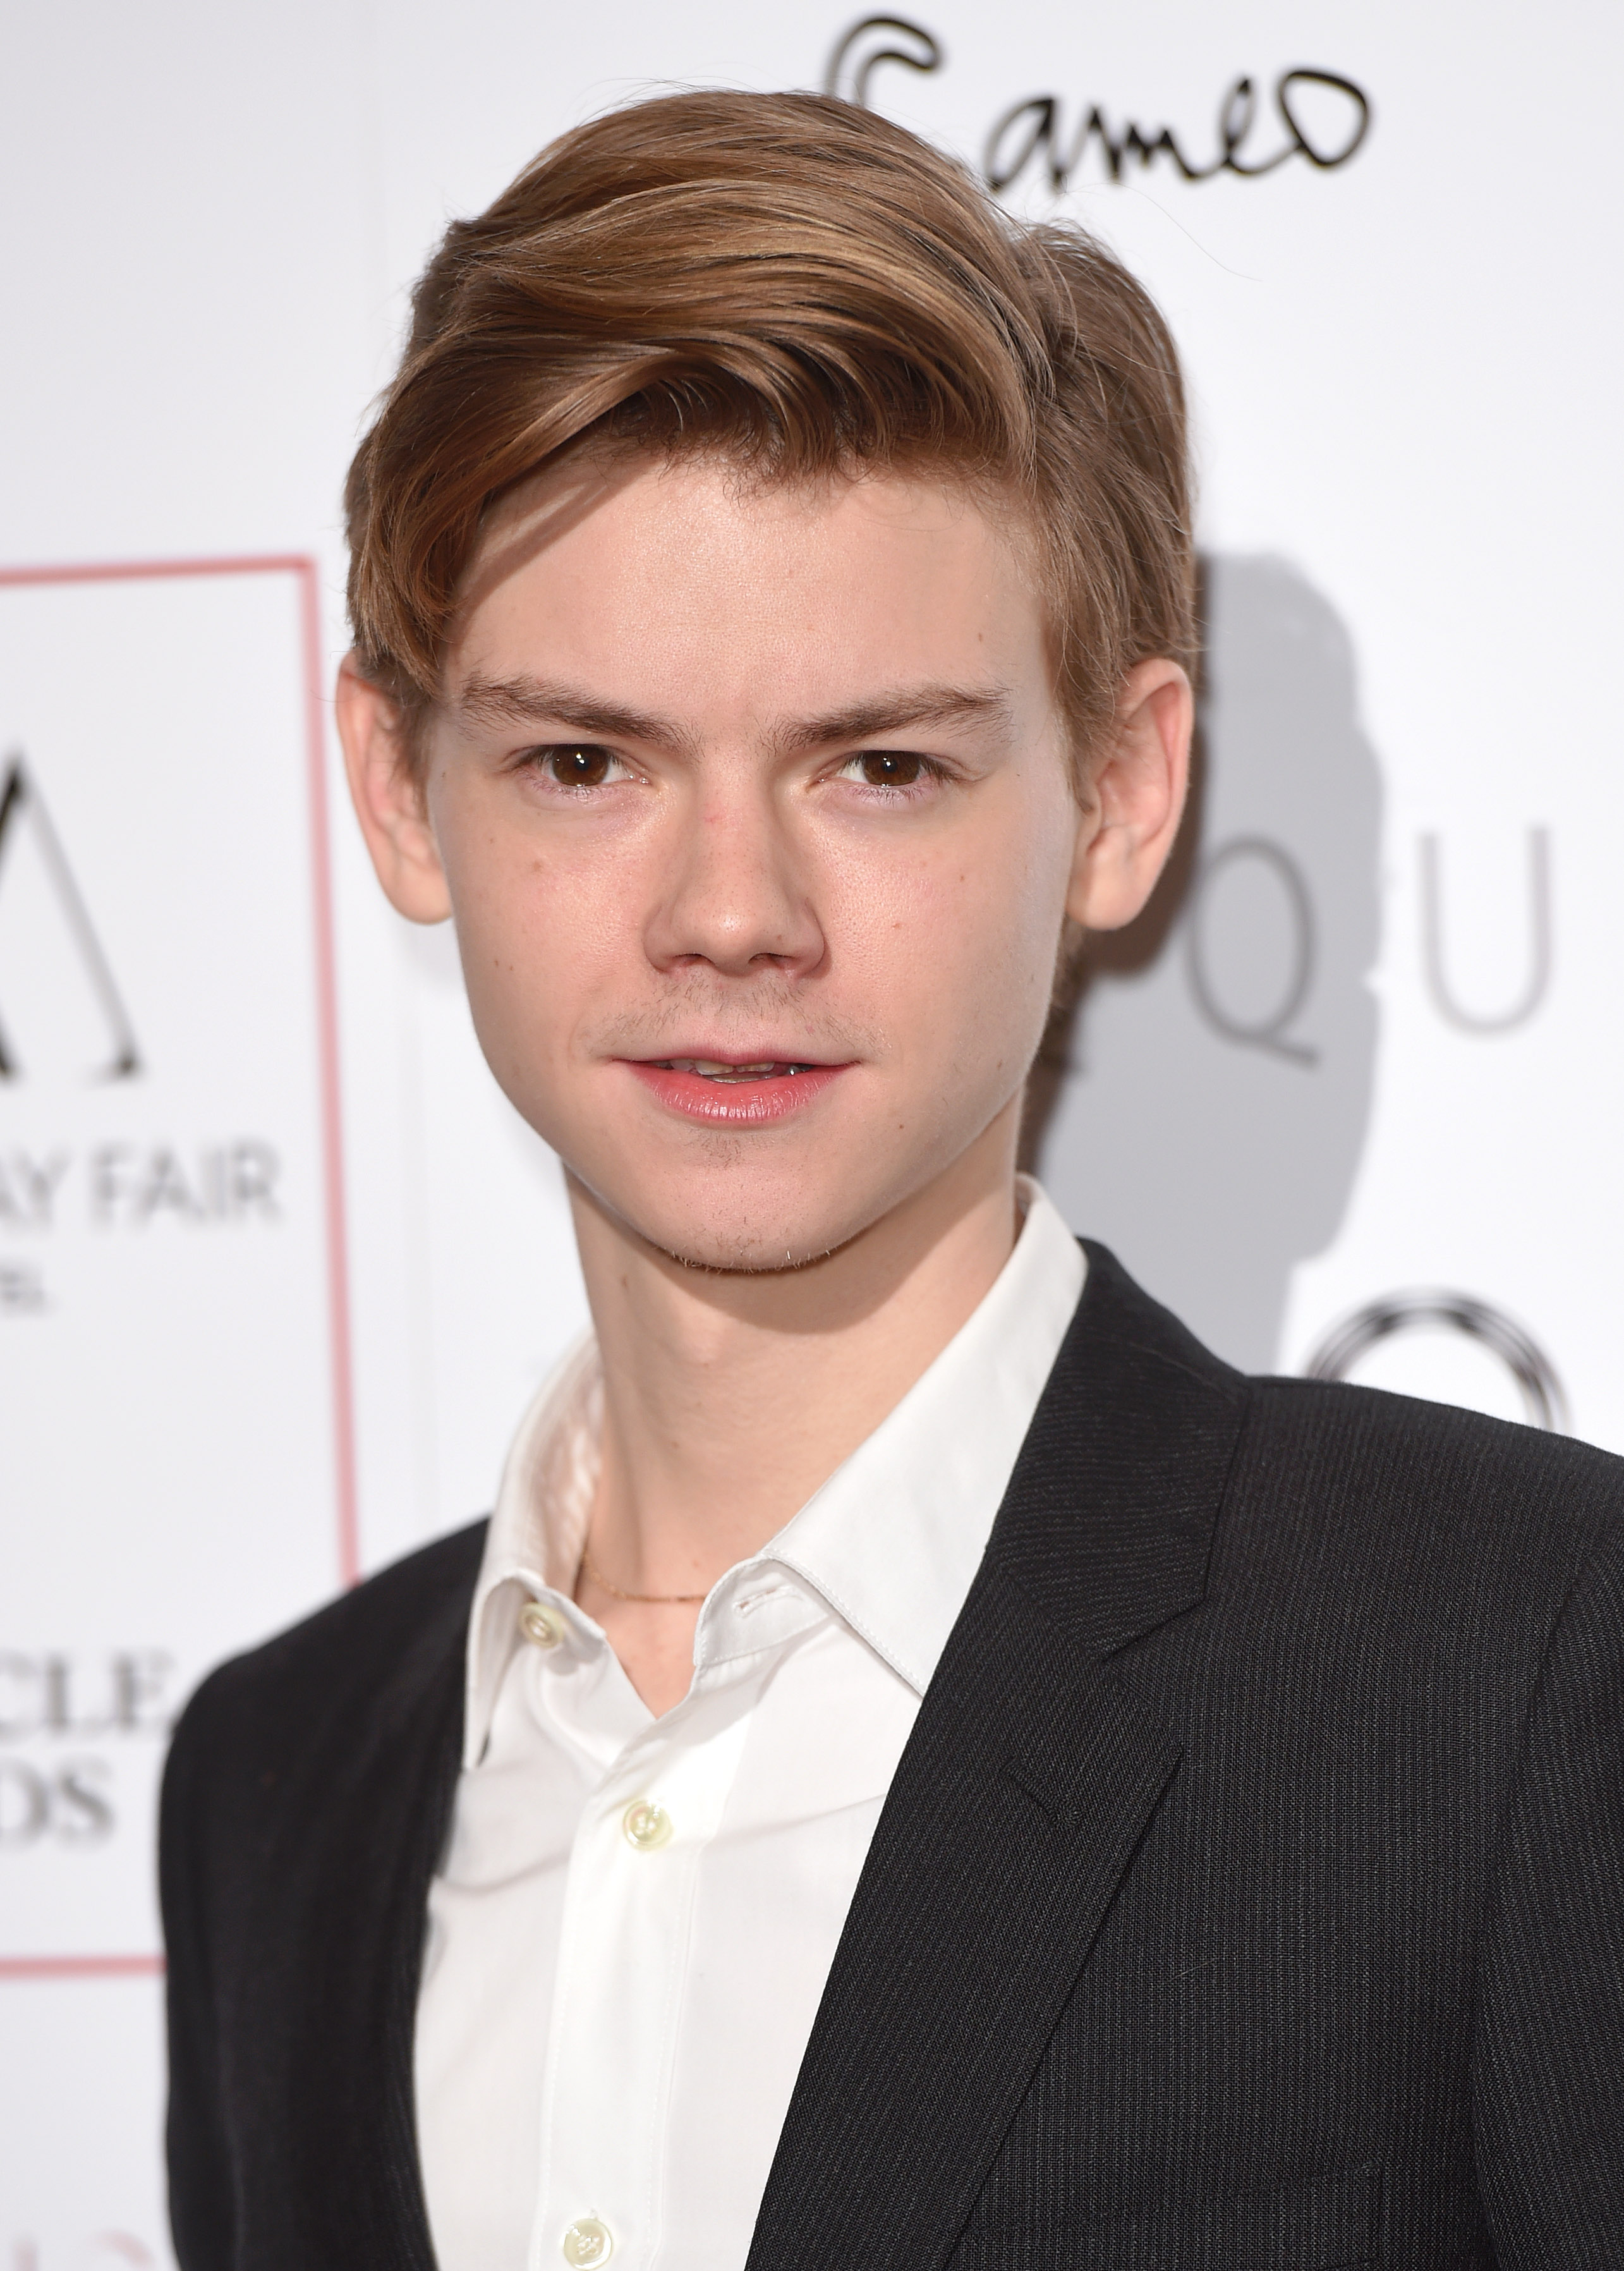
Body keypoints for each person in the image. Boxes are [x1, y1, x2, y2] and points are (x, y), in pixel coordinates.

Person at [159, 88, 1624, 2271]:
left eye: (878, 766)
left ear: (1121, 795)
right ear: (396, 784)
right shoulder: (273, 1785)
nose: (729, 912)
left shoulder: (1517, 1666)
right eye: (585, 759)